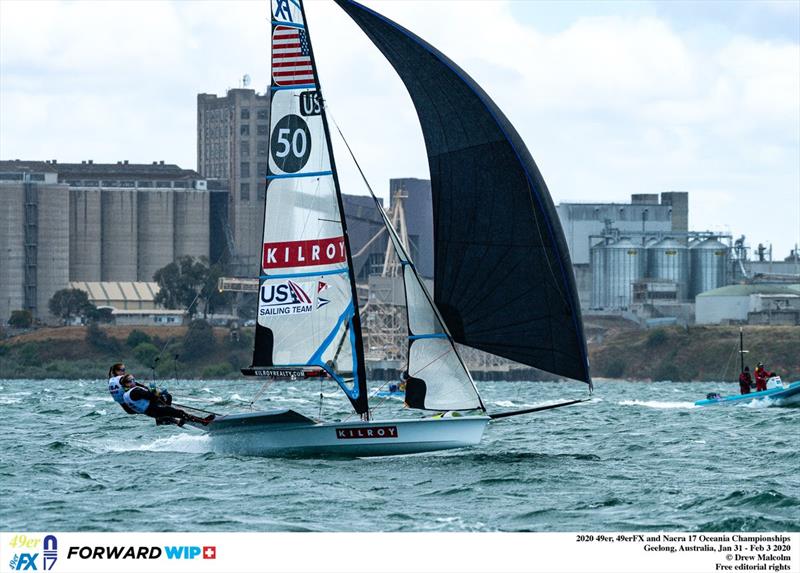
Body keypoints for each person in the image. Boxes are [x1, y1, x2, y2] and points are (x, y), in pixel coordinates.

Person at [120, 374, 214, 426]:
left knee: (168, 398)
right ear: (126, 384)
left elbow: (146, 395)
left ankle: (171, 419)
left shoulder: (126, 394)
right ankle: (203, 421)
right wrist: (157, 392)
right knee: (179, 412)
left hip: (150, 410)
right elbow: (152, 396)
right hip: (153, 409)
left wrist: (160, 394)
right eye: (131, 380)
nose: (133, 381)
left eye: (133, 379)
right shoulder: (134, 391)